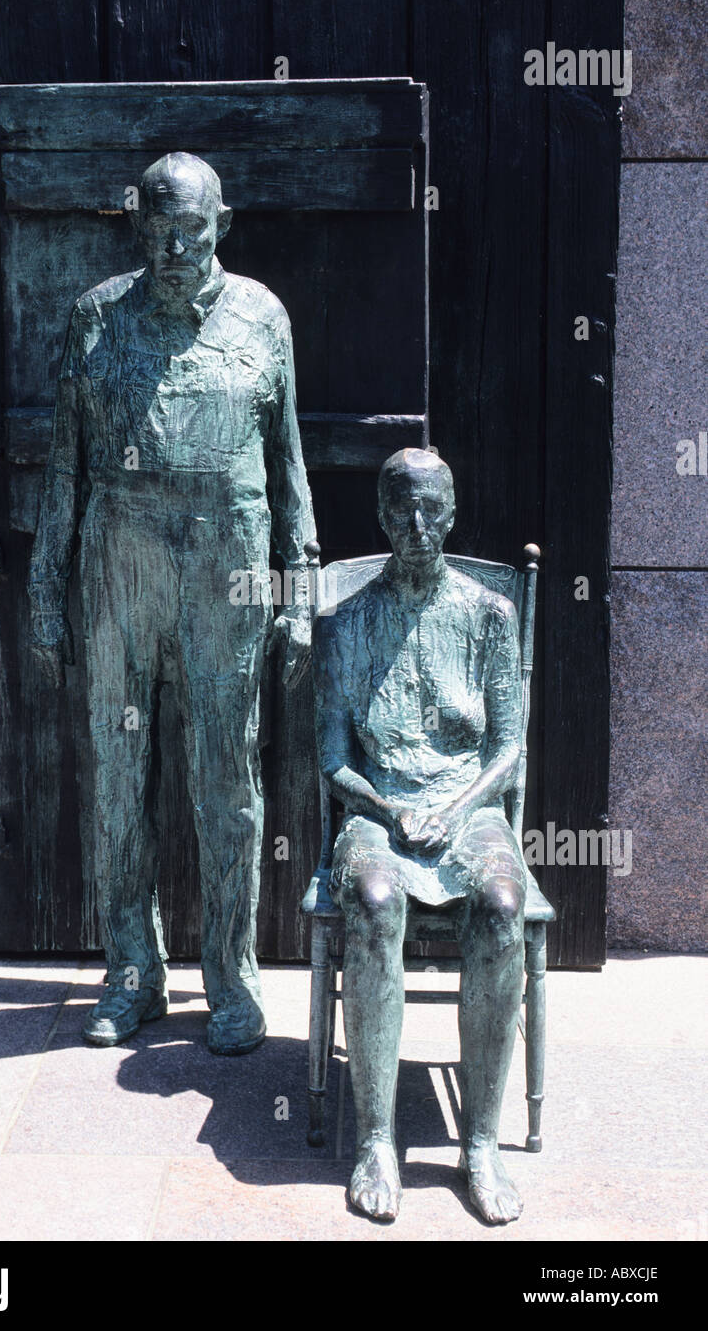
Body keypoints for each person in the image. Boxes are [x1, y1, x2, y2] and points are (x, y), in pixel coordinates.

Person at [28, 152, 316, 1056]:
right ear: (136, 229)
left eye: (190, 228)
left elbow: (288, 463)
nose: (174, 247)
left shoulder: (263, 314)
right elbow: (64, 467)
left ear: (221, 223)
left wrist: (297, 588)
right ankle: (130, 970)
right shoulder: (94, 319)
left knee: (225, 778)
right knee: (118, 773)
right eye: (156, 231)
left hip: (227, 559)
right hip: (120, 554)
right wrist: (48, 586)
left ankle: (229, 978)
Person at [313, 448, 526, 1222]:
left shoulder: (488, 617)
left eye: (431, 508)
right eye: (400, 507)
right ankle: (374, 1137)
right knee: (371, 899)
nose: (415, 524)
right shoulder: (346, 623)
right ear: (379, 514)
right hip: (379, 810)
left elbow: (506, 748)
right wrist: (386, 807)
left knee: (501, 904)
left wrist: (459, 805)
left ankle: (479, 1142)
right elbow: (331, 759)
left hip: (468, 808)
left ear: (451, 512)